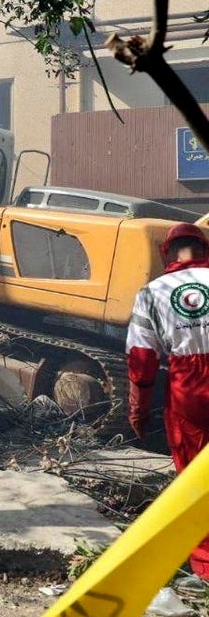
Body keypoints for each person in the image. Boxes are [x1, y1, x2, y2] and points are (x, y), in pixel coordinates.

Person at [126, 222, 209, 577]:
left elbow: (142, 358)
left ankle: (206, 567)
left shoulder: (151, 292)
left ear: (167, 255)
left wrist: (138, 410)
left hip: (188, 389)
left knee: (195, 479)